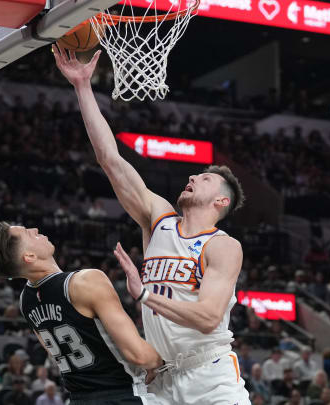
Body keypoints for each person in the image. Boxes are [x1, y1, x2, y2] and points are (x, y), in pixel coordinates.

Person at [53, 45, 249, 405]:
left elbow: (207, 318)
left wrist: (145, 295)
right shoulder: (158, 219)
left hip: (209, 377)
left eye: (204, 179)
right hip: (159, 378)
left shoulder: (223, 246)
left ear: (222, 201)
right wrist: (82, 86)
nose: (192, 176)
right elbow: (110, 160)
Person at [0, 222, 162, 404]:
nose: (35, 229)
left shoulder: (26, 301)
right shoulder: (86, 281)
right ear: (29, 256)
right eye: (27, 233)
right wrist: (160, 360)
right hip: (123, 395)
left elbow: (53, 354)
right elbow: (141, 356)